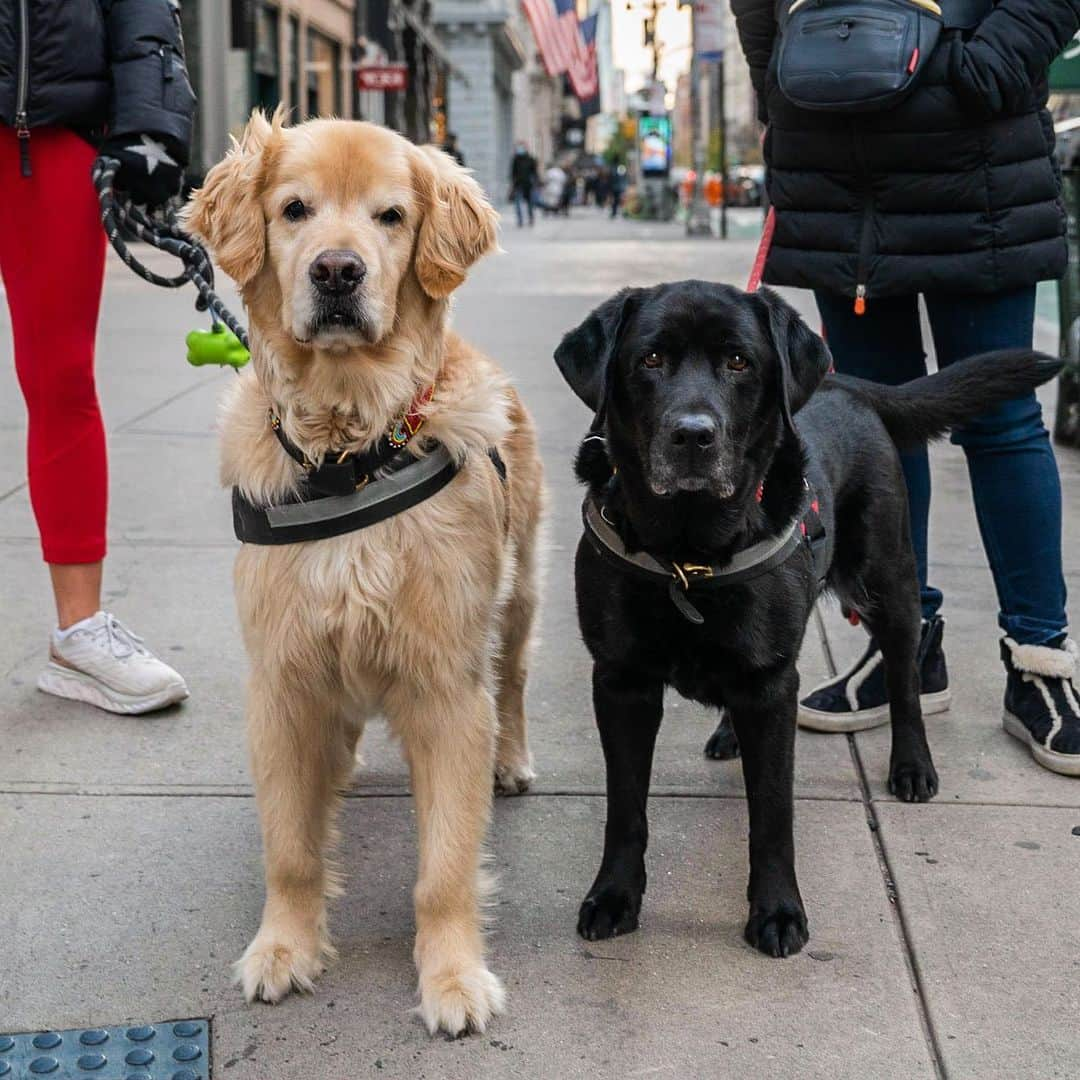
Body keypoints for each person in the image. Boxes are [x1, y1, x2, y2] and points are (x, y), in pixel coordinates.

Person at [732, 0, 1080, 775]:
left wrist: (983, 62)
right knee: (873, 425)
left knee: (1001, 421)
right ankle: (905, 649)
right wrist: (780, 76)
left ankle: (1040, 664)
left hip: (974, 159)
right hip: (831, 157)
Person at [0, 0, 195, 714]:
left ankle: (79, 634)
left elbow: (142, 9)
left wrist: (153, 124)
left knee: (62, 379)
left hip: (50, 132)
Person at [509, 141, 538, 227]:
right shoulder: (515, 159)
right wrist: (512, 183)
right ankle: (520, 220)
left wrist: (535, 182)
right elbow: (512, 173)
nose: (520, 149)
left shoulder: (531, 159)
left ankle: (531, 218)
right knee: (518, 203)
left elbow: (534, 172)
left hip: (528, 185)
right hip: (518, 184)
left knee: (530, 203)